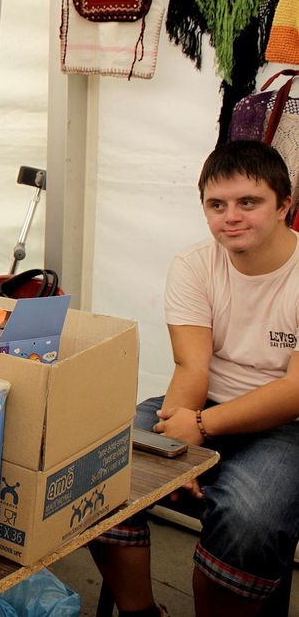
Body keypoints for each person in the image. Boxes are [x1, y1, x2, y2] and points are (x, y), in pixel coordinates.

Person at [90, 140, 299, 617]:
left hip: (286, 426)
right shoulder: (194, 264)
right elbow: (191, 366)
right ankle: (141, 613)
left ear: (284, 205)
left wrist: (199, 430)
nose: (231, 217)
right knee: (97, 472)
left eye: (249, 202)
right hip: (201, 404)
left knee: (248, 521)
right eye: (216, 205)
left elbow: (294, 392)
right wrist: (178, 445)